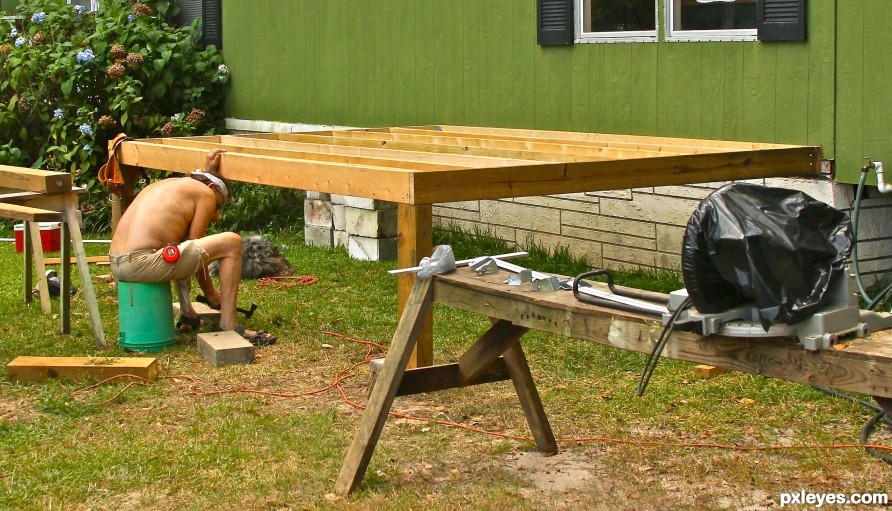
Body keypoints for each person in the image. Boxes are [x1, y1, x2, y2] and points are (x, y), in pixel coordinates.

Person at [108, 148, 276, 346]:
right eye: (218, 206)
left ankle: (188, 314)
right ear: (212, 186)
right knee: (232, 242)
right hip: (141, 263)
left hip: (117, 262)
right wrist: (211, 294)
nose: (217, 215)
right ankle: (228, 325)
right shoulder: (205, 193)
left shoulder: (167, 185)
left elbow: (186, 249)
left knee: (176, 249)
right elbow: (198, 250)